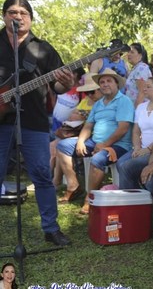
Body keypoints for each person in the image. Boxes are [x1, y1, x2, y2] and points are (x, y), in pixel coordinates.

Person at [0, 0, 75, 246]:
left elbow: (58, 85)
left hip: (33, 120)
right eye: (12, 12)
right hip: (1, 124)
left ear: (30, 18)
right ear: (4, 16)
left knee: (42, 174)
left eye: (23, 12)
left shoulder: (43, 49)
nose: (17, 16)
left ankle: (51, 228)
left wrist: (64, 84)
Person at [56, 69, 134, 214]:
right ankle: (73, 185)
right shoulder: (98, 104)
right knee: (62, 145)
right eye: (102, 82)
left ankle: (89, 198)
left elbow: (123, 129)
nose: (105, 84)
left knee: (97, 159)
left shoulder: (124, 101)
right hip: (95, 142)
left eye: (109, 81)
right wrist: (80, 141)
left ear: (117, 84)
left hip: (118, 145)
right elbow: (88, 125)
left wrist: (105, 144)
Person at [115, 76, 153, 190]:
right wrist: (137, 147)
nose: (144, 89)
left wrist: (148, 149)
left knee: (127, 165)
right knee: (120, 162)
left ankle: (131, 198)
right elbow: (136, 131)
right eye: (144, 86)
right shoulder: (141, 107)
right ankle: (137, 193)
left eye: (148, 86)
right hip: (141, 148)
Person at [52, 73, 103, 201]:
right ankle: (69, 183)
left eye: (92, 91)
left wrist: (83, 118)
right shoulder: (86, 101)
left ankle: (60, 182)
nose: (90, 95)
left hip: (97, 138)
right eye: (87, 92)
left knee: (58, 146)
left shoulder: (104, 103)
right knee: (58, 145)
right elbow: (73, 116)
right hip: (82, 135)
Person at [124, 42, 152, 106]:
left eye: (132, 52)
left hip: (140, 108)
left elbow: (142, 92)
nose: (128, 54)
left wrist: (136, 110)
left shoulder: (141, 68)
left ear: (140, 55)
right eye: (128, 52)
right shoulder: (135, 68)